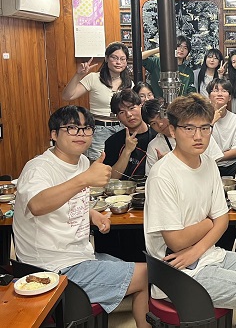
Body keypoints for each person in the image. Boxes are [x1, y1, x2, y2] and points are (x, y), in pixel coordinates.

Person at [144, 93, 236, 327]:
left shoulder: (209, 163)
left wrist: (198, 248)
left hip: (205, 255)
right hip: (177, 272)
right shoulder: (163, 175)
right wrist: (208, 223)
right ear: (172, 130)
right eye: (189, 128)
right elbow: (177, 241)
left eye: (205, 128)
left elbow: (223, 220)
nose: (198, 136)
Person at [13, 105, 150, 328]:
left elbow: (66, 201)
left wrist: (91, 214)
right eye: (72, 128)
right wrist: (84, 179)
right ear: (54, 134)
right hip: (51, 268)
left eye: (87, 128)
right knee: (145, 274)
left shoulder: (82, 162)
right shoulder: (38, 168)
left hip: (80, 257)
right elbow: (37, 205)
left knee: (142, 268)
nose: (81, 134)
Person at [62, 42, 132, 160]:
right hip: (99, 129)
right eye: (114, 58)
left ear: (126, 62)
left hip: (122, 128)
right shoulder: (94, 78)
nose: (118, 62)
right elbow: (67, 96)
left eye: (122, 59)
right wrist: (78, 75)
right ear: (106, 58)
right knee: (97, 163)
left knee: (120, 163)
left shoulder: (129, 83)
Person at [143, 98, 223, 173]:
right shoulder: (154, 146)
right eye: (153, 123)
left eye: (160, 117)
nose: (160, 124)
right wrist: (162, 164)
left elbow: (213, 162)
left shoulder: (200, 134)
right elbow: (151, 175)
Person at [104, 89, 156, 179]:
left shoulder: (157, 136)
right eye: (122, 112)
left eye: (131, 108)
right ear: (118, 117)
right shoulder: (112, 142)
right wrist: (127, 151)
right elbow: (110, 179)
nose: (128, 114)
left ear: (141, 106)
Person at [206, 79, 236, 177]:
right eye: (215, 90)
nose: (220, 94)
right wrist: (212, 122)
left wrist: (216, 157)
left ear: (229, 97)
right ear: (209, 96)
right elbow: (202, 143)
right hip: (207, 165)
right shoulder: (202, 118)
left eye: (224, 91)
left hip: (231, 166)